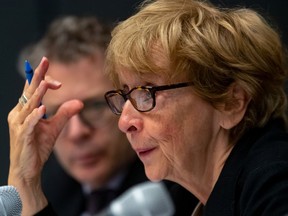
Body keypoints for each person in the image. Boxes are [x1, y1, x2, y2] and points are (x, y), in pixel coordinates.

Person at [8, 0, 288, 215]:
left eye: (147, 94)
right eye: (125, 96)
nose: (124, 121)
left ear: (230, 102)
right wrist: (25, 183)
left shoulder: (275, 183)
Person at [12, 15, 197, 216]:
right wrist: (23, 183)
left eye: (95, 106)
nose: (77, 132)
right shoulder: (45, 190)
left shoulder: (180, 188)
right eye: (57, 113)